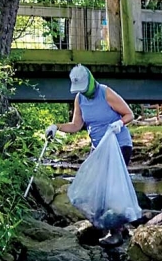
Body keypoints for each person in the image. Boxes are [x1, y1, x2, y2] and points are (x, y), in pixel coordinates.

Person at [45, 64, 135, 246]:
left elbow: (129, 114)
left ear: (91, 82)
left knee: (110, 190)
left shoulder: (106, 93)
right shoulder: (80, 99)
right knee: (94, 187)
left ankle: (115, 233)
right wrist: (57, 127)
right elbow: (76, 125)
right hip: (98, 149)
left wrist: (119, 123)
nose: (83, 92)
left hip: (118, 146)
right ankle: (113, 226)